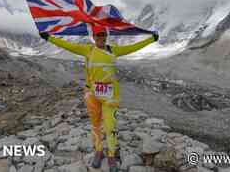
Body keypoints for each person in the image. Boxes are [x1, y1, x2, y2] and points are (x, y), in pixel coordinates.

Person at [39, 30, 158, 172]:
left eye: (103, 35)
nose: (100, 37)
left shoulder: (114, 50)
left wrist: (151, 39)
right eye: (98, 35)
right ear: (94, 37)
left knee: (110, 127)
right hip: (91, 94)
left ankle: (112, 156)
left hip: (110, 96)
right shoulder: (87, 50)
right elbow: (66, 45)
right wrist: (49, 38)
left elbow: (134, 47)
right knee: (95, 125)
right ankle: (98, 151)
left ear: (106, 36)